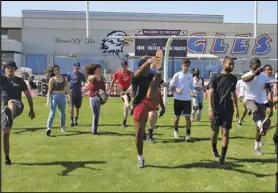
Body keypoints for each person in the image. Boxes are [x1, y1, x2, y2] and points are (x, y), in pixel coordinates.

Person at [128, 50, 163, 168]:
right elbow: (140, 71)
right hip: (139, 105)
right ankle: (140, 157)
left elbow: (158, 80)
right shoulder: (135, 75)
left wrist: (159, 68)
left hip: (150, 101)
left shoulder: (150, 74)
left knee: (155, 83)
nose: (148, 68)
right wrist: (148, 62)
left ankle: (150, 133)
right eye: (147, 66)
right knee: (138, 134)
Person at [1, 61, 36, 165]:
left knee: (11, 102)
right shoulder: (1, 80)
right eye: (7, 68)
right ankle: (7, 157)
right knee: (6, 134)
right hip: (4, 110)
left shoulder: (20, 81)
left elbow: (28, 96)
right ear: (4, 70)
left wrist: (31, 109)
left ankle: (10, 114)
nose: (10, 69)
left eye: (12, 68)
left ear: (15, 69)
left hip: (17, 106)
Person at [208, 56, 239, 165]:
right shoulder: (215, 77)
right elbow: (210, 93)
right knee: (215, 131)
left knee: (225, 132)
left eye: (232, 64)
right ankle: (214, 148)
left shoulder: (234, 79)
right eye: (230, 64)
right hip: (216, 109)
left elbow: (234, 94)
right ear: (224, 64)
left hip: (228, 109)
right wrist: (210, 108)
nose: (231, 66)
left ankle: (223, 157)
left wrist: (236, 109)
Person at [241, 58, 273, 155]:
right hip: (249, 100)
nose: (257, 69)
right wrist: (255, 74)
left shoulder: (265, 77)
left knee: (258, 128)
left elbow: (267, 89)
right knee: (254, 110)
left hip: (261, 101)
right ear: (251, 67)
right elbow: (245, 80)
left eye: (259, 67)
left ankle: (256, 148)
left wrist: (268, 100)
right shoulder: (246, 75)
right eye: (255, 68)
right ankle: (261, 124)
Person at [169, 59, 195, 141]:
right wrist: (176, 89)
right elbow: (171, 85)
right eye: (184, 65)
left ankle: (188, 135)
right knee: (177, 118)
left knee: (188, 118)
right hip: (178, 99)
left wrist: (194, 91)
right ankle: (176, 131)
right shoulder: (177, 75)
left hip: (187, 100)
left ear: (189, 66)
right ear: (181, 65)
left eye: (187, 65)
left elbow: (192, 87)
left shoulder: (190, 76)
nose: (185, 67)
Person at [46, 65, 72, 136]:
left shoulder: (64, 78)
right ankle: (48, 128)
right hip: (54, 97)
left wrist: (70, 96)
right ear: (53, 72)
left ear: (60, 70)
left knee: (63, 113)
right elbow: (49, 91)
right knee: (52, 113)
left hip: (62, 96)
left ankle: (62, 127)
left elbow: (67, 88)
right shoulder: (52, 80)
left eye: (57, 70)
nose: (56, 71)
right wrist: (48, 100)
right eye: (55, 70)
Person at [83, 64, 106, 135]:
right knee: (96, 114)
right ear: (94, 71)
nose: (99, 71)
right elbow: (89, 79)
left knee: (97, 114)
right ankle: (94, 131)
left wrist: (104, 93)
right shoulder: (91, 77)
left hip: (100, 97)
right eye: (97, 70)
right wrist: (94, 76)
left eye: (99, 70)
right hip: (93, 97)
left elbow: (104, 87)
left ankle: (94, 130)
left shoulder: (102, 78)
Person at [108, 60, 132, 127]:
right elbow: (113, 81)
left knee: (125, 108)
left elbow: (133, 82)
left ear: (127, 66)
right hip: (120, 88)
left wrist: (132, 90)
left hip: (128, 90)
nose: (124, 68)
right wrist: (110, 90)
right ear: (121, 66)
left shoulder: (130, 73)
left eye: (125, 66)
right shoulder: (118, 73)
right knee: (125, 97)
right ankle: (129, 106)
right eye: (123, 66)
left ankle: (124, 122)